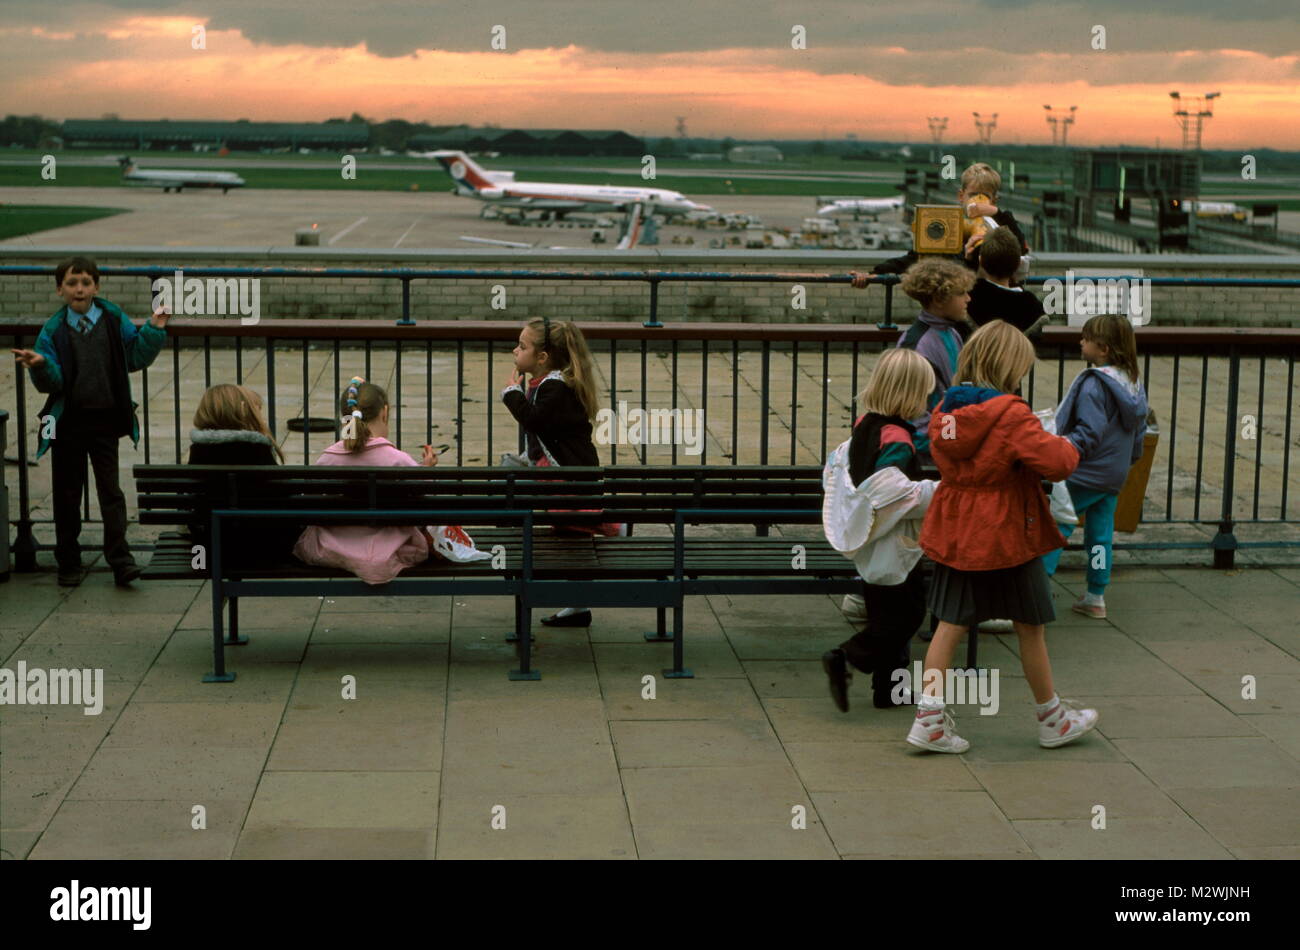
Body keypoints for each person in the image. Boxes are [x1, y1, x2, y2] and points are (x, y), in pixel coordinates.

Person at [909, 321, 1098, 754]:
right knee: (1030, 626)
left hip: (961, 527)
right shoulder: (1011, 413)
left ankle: (929, 719)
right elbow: (1058, 463)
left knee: (949, 624)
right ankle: (1052, 719)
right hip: (1009, 528)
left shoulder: (945, 412)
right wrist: (1064, 442)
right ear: (1010, 366)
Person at [12, 256, 169, 587]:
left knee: (110, 492)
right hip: (68, 422)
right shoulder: (53, 330)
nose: (79, 289)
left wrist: (153, 329)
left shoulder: (112, 317)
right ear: (60, 290)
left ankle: (121, 560)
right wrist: (40, 365)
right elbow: (53, 382)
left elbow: (135, 356)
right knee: (67, 493)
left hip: (105, 420)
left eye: (85, 282)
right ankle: (68, 561)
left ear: (96, 286)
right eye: (71, 283)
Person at [822, 349, 939, 711]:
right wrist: (937, 491)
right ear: (910, 394)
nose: (927, 401)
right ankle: (847, 656)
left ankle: (890, 690)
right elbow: (891, 488)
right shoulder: (897, 439)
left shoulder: (866, 423)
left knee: (882, 612)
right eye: (924, 394)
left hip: (871, 540)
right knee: (906, 615)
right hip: (894, 540)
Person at [501, 316, 617, 627]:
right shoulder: (552, 384)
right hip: (568, 475)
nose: (515, 350)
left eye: (522, 346)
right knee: (568, 538)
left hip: (569, 479)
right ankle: (576, 605)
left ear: (542, 357)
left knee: (568, 535)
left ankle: (530, 583)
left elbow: (535, 420)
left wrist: (511, 393)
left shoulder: (555, 387)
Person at [1041, 314, 1149, 619]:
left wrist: (1060, 452)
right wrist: (1130, 461)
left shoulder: (1093, 385)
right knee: (1100, 534)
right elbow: (1138, 431)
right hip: (1114, 473)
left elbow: (1088, 432)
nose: (1080, 342)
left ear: (1102, 348)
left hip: (1084, 471)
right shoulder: (1133, 383)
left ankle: (1037, 590)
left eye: (1085, 338)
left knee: (1055, 525)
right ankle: (1095, 595)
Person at [293, 378, 441, 585]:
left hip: (330, 546)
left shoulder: (327, 459)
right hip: (389, 548)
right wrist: (426, 471)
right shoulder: (398, 460)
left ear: (345, 417)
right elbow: (424, 498)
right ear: (384, 412)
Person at [852, 162, 1030, 280]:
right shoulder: (949, 224)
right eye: (973, 195)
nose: (977, 202)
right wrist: (874, 275)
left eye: (985, 197)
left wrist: (997, 215)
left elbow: (1020, 249)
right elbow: (915, 258)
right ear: (961, 196)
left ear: (994, 201)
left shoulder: (1001, 224)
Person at [186, 383, 300, 566]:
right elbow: (285, 502)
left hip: (208, 554)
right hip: (266, 552)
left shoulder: (198, 453)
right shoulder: (258, 452)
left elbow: (191, 508)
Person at [895, 258, 975, 459]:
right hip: (931, 448)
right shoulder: (916, 345)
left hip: (947, 436)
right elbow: (912, 412)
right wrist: (949, 442)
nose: (968, 299)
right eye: (961, 293)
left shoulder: (951, 332)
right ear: (939, 299)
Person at [966, 226, 1048, 340]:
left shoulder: (969, 299)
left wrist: (968, 266)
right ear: (1019, 263)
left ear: (981, 261)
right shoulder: (1030, 306)